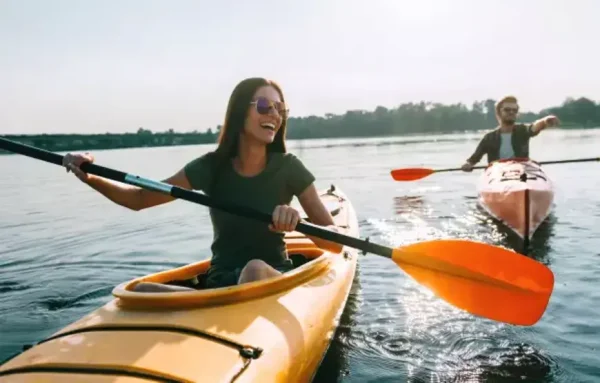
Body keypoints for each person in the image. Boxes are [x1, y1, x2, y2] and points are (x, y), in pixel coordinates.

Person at [62, 77, 340, 292]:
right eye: (266, 106)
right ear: (239, 112)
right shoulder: (209, 167)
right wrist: (89, 175)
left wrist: (297, 219)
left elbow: (335, 243)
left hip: (270, 279)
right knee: (141, 290)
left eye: (280, 109)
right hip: (220, 283)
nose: (275, 116)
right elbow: (138, 199)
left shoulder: (289, 168)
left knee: (254, 269)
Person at [461, 95, 560, 171]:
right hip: (497, 173)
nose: (511, 112)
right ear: (499, 113)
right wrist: (468, 165)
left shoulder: (523, 130)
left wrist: (545, 121)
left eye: (514, 110)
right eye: (507, 110)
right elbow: (473, 159)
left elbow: (534, 127)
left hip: (521, 170)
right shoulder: (489, 138)